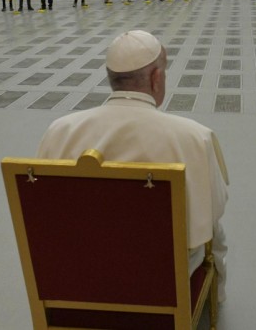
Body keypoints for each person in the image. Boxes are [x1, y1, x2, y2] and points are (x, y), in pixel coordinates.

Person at [37, 30, 229, 300]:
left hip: (82, 269)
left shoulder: (60, 131)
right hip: (160, 275)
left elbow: (47, 212)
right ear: (156, 78)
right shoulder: (194, 137)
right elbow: (214, 208)